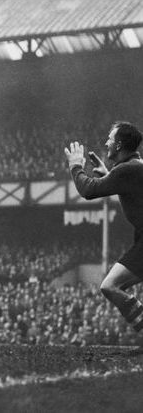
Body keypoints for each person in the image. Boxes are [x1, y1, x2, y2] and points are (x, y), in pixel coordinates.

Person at [65, 121, 143, 335]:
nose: (106, 142)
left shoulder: (128, 169)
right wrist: (108, 175)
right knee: (115, 286)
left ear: (118, 145)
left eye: (110, 138)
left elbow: (88, 190)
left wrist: (75, 166)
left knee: (110, 286)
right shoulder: (133, 167)